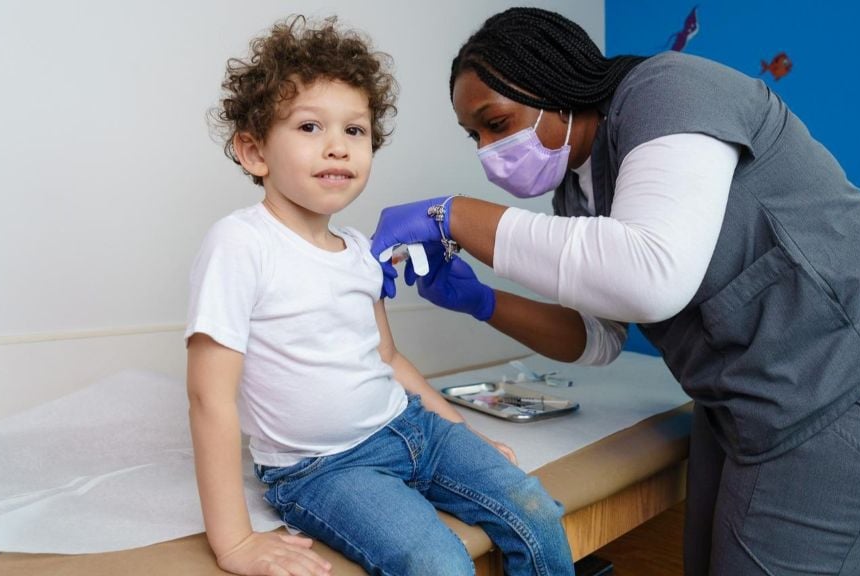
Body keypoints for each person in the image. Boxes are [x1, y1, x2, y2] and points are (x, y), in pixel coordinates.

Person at [369, 7, 860, 576]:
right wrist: (482, 301)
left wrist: (454, 215)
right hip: (756, 401)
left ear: (554, 84)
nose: (488, 153)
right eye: (474, 136)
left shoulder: (669, 91)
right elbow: (599, 337)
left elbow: (650, 275)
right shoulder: (577, 194)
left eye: (495, 125)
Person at [185, 15, 574, 576]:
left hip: (411, 427)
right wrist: (234, 542)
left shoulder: (360, 249)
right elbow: (208, 399)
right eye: (310, 127)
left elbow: (387, 358)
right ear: (253, 152)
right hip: (327, 469)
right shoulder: (240, 244)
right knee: (438, 563)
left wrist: (454, 426)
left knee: (535, 511)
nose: (338, 148)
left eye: (355, 131)